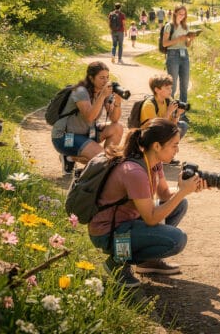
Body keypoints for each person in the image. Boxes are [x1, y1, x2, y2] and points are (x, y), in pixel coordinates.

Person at [88, 118, 207, 288]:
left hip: (128, 222)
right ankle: (117, 262)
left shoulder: (153, 162)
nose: (177, 150)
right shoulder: (134, 171)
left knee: (180, 204)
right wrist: (182, 192)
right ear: (157, 146)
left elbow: (165, 194)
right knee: (177, 240)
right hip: (109, 232)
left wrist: (187, 188)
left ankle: (147, 262)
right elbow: (151, 218)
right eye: (174, 145)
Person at [51, 61, 124, 176]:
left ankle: (97, 164)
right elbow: (90, 117)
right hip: (65, 137)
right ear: (91, 78)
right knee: (102, 159)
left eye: (107, 77)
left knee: (117, 128)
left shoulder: (103, 91)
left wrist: (118, 102)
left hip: (87, 133)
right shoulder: (80, 91)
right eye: (101, 78)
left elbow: (114, 119)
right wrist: (102, 96)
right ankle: (71, 157)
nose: (105, 81)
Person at [162, 5, 197, 110]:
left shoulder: (186, 27)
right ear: (175, 13)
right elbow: (164, 43)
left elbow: (187, 44)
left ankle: (182, 111)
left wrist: (190, 39)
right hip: (173, 55)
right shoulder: (169, 26)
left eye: (184, 14)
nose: (182, 16)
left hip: (184, 55)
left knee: (184, 84)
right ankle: (170, 111)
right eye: (180, 13)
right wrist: (178, 39)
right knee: (172, 85)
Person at [140, 74, 189, 140]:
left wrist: (177, 114)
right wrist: (168, 112)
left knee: (182, 125)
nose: (170, 90)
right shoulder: (149, 105)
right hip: (149, 135)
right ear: (157, 90)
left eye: (171, 87)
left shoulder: (168, 100)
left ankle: (168, 147)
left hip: (162, 131)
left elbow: (172, 125)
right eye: (167, 88)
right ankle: (160, 148)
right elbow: (155, 128)